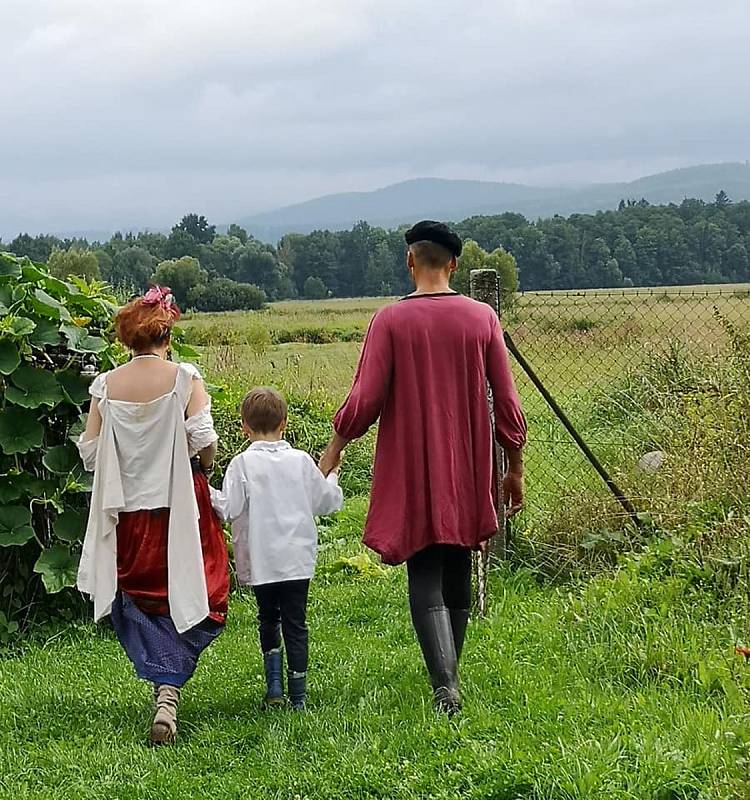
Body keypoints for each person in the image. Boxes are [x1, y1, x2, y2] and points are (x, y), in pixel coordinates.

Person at [319, 220, 527, 716]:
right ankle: (449, 677)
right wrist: (513, 465)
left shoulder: (389, 321)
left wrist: (334, 448)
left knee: (424, 563)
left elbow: (365, 399)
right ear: (453, 263)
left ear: (410, 261)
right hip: (468, 462)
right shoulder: (482, 320)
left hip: (413, 461)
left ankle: (445, 686)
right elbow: (508, 401)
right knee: (457, 559)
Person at [76, 286, 229, 745]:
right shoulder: (185, 377)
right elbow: (203, 436)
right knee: (204, 591)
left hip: (129, 517)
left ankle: (165, 690)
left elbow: (88, 454)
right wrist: (207, 465)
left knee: (141, 597)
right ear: (167, 333)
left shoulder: (105, 386)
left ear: (127, 339)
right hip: (182, 505)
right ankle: (168, 691)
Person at [210, 387, 343, 710]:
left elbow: (227, 508)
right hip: (297, 559)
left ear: (244, 426)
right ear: (284, 422)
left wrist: (202, 488)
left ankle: (273, 689)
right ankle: (298, 696)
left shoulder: (242, 465)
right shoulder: (300, 461)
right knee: (296, 622)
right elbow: (325, 502)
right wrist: (334, 477)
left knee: (268, 618)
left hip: (261, 558)